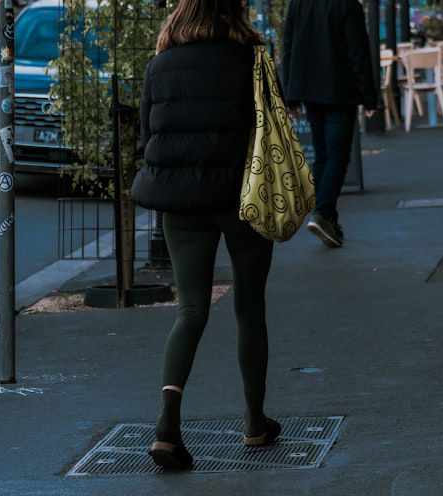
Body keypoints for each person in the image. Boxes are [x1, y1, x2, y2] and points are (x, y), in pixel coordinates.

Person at [131, 0, 281, 469]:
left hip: (182, 204)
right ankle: (255, 423)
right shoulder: (253, 58)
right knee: (249, 303)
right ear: (232, 12)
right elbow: (274, 127)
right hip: (244, 198)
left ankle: (167, 425)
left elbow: (146, 134)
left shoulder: (160, 64)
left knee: (191, 309)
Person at [281, 0, 378, 248]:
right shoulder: (347, 5)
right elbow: (358, 52)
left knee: (322, 153)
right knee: (337, 155)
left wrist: (291, 95)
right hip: (339, 89)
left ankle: (328, 219)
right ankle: (322, 213)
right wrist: (369, 97)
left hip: (309, 90)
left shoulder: (298, 5)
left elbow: (289, 49)